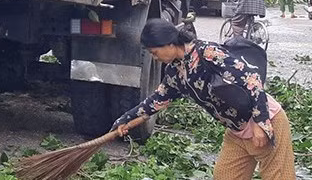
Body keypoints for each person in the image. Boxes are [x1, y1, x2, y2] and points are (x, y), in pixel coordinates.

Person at [112, 19, 295, 180]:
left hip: (267, 120)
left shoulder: (207, 52)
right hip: (237, 131)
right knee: (225, 176)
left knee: (278, 176)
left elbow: (252, 79)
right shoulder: (175, 73)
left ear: (168, 43)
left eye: (155, 52)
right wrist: (125, 120)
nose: (155, 58)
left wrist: (260, 123)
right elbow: (155, 101)